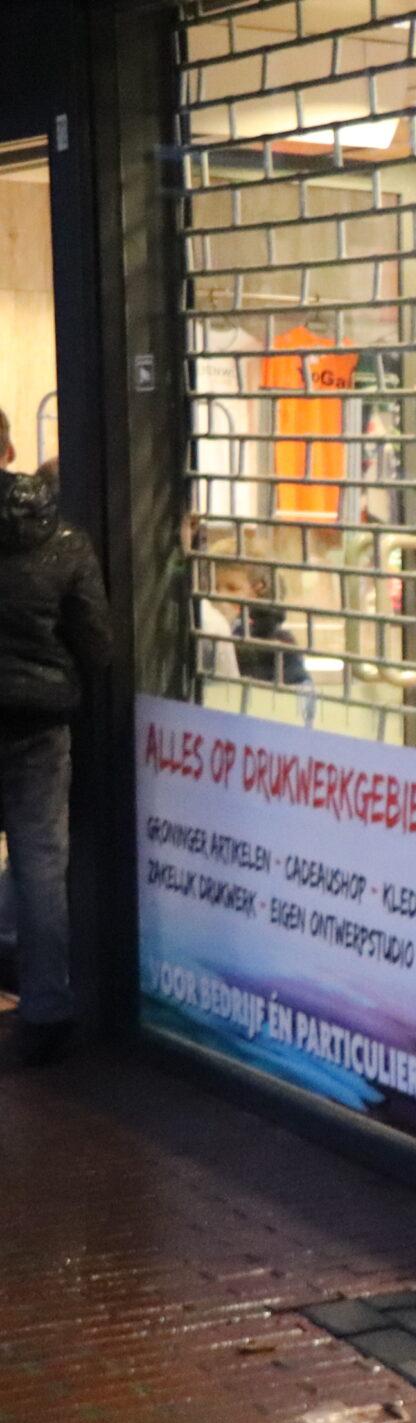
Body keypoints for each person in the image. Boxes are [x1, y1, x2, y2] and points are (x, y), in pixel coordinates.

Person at [0, 417, 109, 1067]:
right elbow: (97, 641)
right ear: (9, 449)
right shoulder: (63, 538)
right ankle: (44, 1012)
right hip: (37, 725)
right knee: (41, 864)